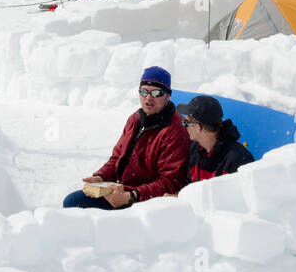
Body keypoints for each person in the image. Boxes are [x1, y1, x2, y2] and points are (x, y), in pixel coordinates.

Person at [63, 66, 189, 209]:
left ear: (167, 95)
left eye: (155, 93)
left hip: (146, 200)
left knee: (73, 204)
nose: (148, 98)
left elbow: (171, 181)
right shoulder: (135, 119)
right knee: (73, 202)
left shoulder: (175, 130)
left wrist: (133, 196)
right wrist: (101, 177)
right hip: (123, 190)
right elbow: (117, 157)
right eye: (143, 92)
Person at [178, 95, 255, 181]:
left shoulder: (237, 160)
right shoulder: (196, 149)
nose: (184, 126)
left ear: (198, 127)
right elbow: (192, 188)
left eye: (185, 123)